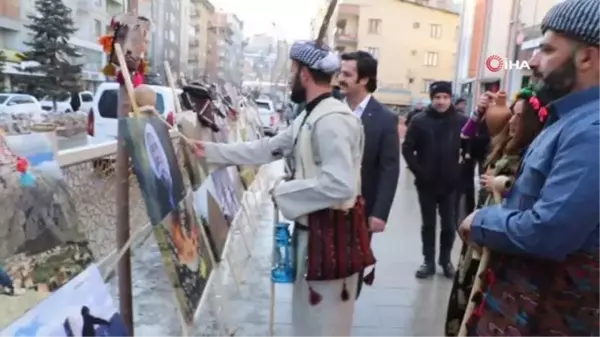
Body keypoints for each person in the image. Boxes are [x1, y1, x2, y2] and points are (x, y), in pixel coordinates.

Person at [192, 40, 372, 337]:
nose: (290, 77)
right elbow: (268, 148)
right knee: (308, 325)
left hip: (331, 242)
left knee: (323, 328)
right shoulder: (310, 115)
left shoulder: (332, 120)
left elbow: (340, 185)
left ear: (304, 73)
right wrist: (210, 152)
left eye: (292, 70)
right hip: (314, 239)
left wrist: (283, 192)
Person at [459, 0, 600, 334]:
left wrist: (480, 221)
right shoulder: (567, 119)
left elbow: (550, 232)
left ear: (588, 57)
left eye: (548, 50)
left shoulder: (591, 132)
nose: (533, 61)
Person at [445, 87, 544, 337]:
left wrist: (500, 185)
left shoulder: (531, 156)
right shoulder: (504, 147)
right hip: (479, 235)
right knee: (463, 300)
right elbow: (465, 137)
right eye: (511, 113)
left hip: (497, 244)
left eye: (519, 116)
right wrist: (478, 114)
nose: (511, 121)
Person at [338, 50, 400, 297]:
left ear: (364, 80)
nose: (340, 78)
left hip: (362, 208)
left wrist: (380, 213)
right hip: (327, 204)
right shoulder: (330, 110)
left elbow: (390, 168)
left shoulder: (385, 119)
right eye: (340, 72)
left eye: (346, 73)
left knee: (354, 266)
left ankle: (346, 312)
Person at [402, 81, 467, 279]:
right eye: (437, 97)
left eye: (445, 97)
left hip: (450, 184)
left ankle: (445, 261)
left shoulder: (461, 121)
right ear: (432, 99)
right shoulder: (420, 120)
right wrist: (419, 171)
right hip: (426, 184)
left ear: (450, 98)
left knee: (448, 225)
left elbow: (469, 148)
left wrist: (460, 171)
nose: (441, 101)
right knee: (428, 224)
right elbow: (407, 148)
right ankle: (428, 261)